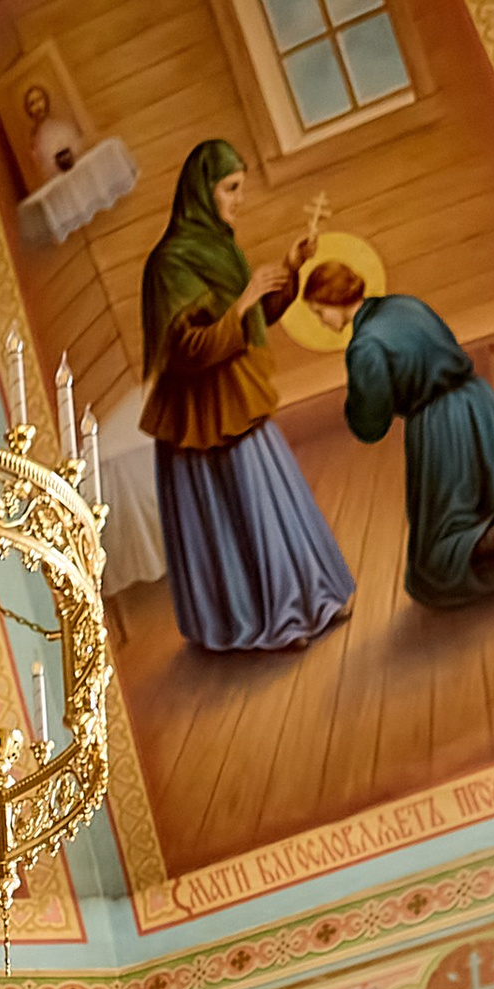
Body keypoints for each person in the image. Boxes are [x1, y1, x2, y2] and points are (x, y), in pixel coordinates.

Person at [138, 140, 352, 654]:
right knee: (238, 512)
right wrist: (248, 297)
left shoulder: (219, 246)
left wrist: (288, 268)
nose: (238, 200)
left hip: (233, 399)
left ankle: (312, 600)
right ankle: (277, 620)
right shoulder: (170, 263)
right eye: (230, 189)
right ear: (202, 191)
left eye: (240, 189)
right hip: (200, 416)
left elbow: (251, 320)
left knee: (274, 502)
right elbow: (187, 349)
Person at [299, 264, 494, 606]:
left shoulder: (365, 345)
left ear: (333, 300)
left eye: (318, 310)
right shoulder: (406, 304)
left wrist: (355, 406)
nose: (320, 320)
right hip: (480, 406)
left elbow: (371, 426)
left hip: (439, 427)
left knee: (433, 564)